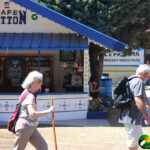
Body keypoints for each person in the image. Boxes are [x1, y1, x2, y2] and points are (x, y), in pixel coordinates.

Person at [13, 71, 55, 150]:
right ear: (32, 82)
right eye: (39, 81)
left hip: (31, 126)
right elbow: (32, 114)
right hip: (25, 126)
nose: (41, 84)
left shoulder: (26, 92)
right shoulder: (30, 96)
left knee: (43, 147)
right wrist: (48, 111)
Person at [119, 64, 150, 150]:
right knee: (135, 144)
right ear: (143, 74)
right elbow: (138, 100)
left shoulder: (130, 80)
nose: (147, 78)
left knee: (137, 142)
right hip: (133, 118)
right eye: (148, 76)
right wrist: (146, 116)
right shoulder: (139, 82)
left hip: (128, 116)